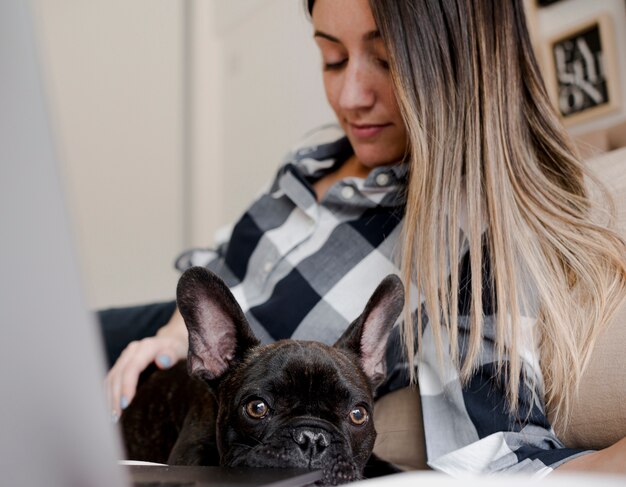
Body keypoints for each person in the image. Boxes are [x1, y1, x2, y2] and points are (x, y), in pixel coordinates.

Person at [103, 0, 626, 475]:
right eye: (332, 59)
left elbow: (503, 442)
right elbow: (221, 261)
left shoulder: (475, 234)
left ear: (464, 66)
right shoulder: (313, 159)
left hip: (238, 406)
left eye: (387, 60)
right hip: (184, 350)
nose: (350, 96)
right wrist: (175, 339)